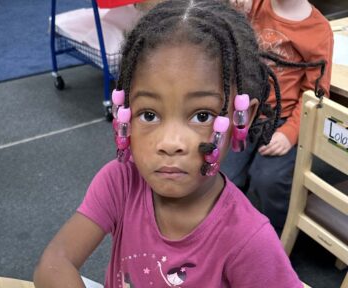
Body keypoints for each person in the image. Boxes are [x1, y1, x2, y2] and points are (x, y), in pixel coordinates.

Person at [33, 1, 304, 287]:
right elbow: (54, 263)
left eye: (202, 115)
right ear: (124, 111)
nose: (170, 143)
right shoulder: (120, 183)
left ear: (242, 117)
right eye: (149, 115)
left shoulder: (249, 240)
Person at [223, 0, 332, 233]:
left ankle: (269, 237)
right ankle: (227, 230)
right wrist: (233, 9)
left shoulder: (318, 31)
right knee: (224, 176)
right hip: (244, 110)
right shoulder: (254, 6)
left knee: (268, 180)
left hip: (282, 120)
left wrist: (289, 133)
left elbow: (316, 94)